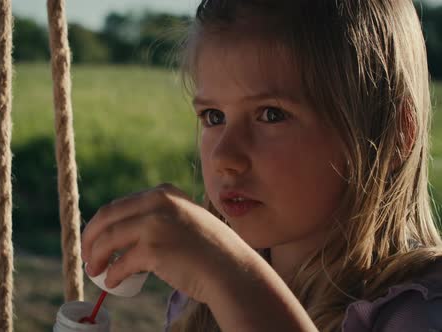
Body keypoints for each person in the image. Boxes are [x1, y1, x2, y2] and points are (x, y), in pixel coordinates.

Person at [80, 0, 442, 331]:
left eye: (271, 115)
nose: (225, 157)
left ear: (393, 135)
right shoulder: (198, 304)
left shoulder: (419, 313)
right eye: (213, 116)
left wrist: (232, 278)